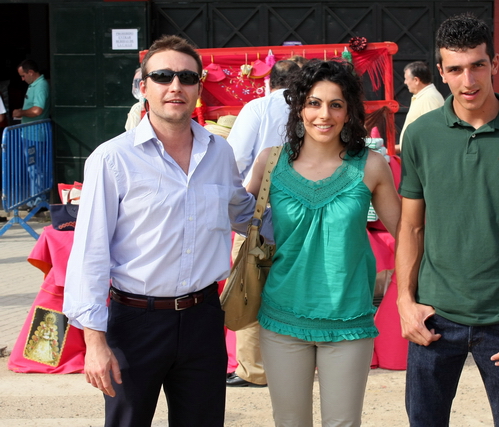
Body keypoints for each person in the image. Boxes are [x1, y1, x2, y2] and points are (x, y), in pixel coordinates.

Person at [63, 35, 270, 427]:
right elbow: (90, 253)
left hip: (204, 318)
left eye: (186, 77)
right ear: (144, 87)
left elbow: (244, 214)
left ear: (198, 87)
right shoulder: (111, 159)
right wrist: (93, 340)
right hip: (135, 321)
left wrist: (313, 217)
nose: (175, 86)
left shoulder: (219, 152)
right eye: (162, 76)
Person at [396, 13, 499, 427]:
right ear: (441, 72)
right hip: (434, 319)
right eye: (455, 69)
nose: (468, 80)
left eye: (477, 65)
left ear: (495, 64)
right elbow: (412, 226)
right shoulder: (420, 135)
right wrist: (405, 302)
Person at [246, 59, 401, 426]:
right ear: (299, 108)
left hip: (349, 321)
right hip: (281, 318)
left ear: (349, 112)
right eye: (314, 103)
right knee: (289, 422)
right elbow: (239, 221)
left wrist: (409, 291)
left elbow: (408, 234)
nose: (324, 114)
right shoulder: (271, 162)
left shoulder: (371, 165)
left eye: (336, 104)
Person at [225, 59, 300, 388]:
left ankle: (254, 370)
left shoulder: (257, 108)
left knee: (250, 288)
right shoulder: (314, 108)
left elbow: (234, 160)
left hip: (261, 213)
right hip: (304, 213)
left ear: (270, 83)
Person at [396, 61, 444, 153]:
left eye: (406, 79)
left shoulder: (429, 98)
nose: (405, 82)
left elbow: (433, 134)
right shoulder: (424, 96)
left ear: (416, 80)